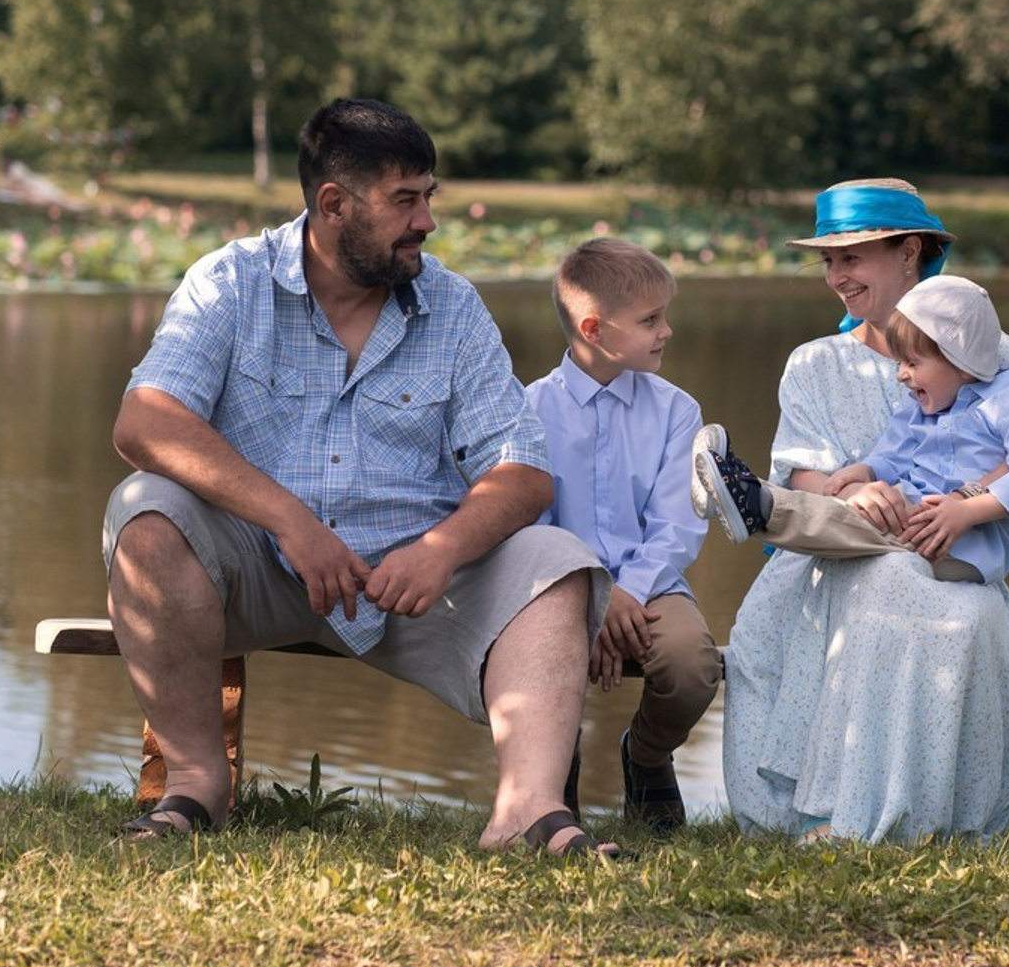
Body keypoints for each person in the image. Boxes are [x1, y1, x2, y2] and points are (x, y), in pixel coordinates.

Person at [103, 97, 624, 859]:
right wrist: (291, 521)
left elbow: (523, 472)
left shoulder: (451, 304)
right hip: (256, 570)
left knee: (557, 562)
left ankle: (527, 813)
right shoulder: (230, 283)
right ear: (334, 205)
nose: (427, 221)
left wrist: (441, 549)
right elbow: (143, 424)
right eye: (405, 200)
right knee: (145, 511)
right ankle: (196, 786)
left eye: (429, 196)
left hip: (413, 580)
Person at [706, 178, 1009, 845]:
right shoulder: (817, 364)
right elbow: (812, 472)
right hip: (833, 561)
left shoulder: (992, 355)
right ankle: (760, 508)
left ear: (910, 252)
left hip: (944, 548)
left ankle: (868, 816)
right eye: (828, 261)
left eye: (851, 257)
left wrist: (968, 502)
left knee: (901, 579)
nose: (836, 277)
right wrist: (855, 488)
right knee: (878, 564)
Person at [526, 238, 721, 833]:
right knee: (534, 654)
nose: (667, 331)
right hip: (555, 586)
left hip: (650, 584)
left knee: (692, 666)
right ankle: (551, 770)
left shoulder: (676, 410)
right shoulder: (527, 408)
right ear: (595, 329)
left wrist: (624, 594)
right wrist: (589, 597)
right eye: (650, 320)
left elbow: (679, 524)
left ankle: (646, 755)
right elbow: (528, 528)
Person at [696, 274, 1009, 587]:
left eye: (913, 363)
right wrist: (866, 470)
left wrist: (968, 510)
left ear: (961, 363)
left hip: (963, 544)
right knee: (867, 513)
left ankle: (757, 506)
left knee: (859, 524)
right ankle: (750, 502)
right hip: (917, 515)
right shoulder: (923, 404)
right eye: (900, 362)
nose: (902, 373)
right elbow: (894, 453)